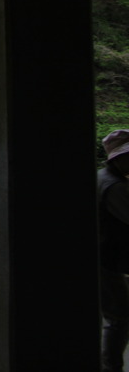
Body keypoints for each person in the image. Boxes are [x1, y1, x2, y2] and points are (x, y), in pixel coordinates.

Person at [99, 129, 129, 372]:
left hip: (101, 253)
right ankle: (112, 366)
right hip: (108, 258)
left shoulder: (101, 178)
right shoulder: (117, 187)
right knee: (119, 317)